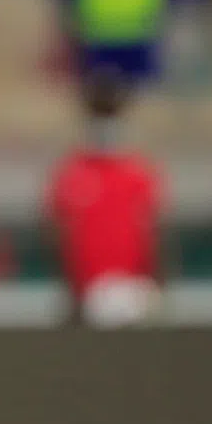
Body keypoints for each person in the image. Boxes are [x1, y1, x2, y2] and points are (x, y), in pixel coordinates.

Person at [46, 67, 166, 328]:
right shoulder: (71, 174)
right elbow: (59, 239)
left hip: (135, 292)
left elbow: (154, 236)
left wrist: (156, 288)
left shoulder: (139, 173)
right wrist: (72, 295)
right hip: (89, 296)